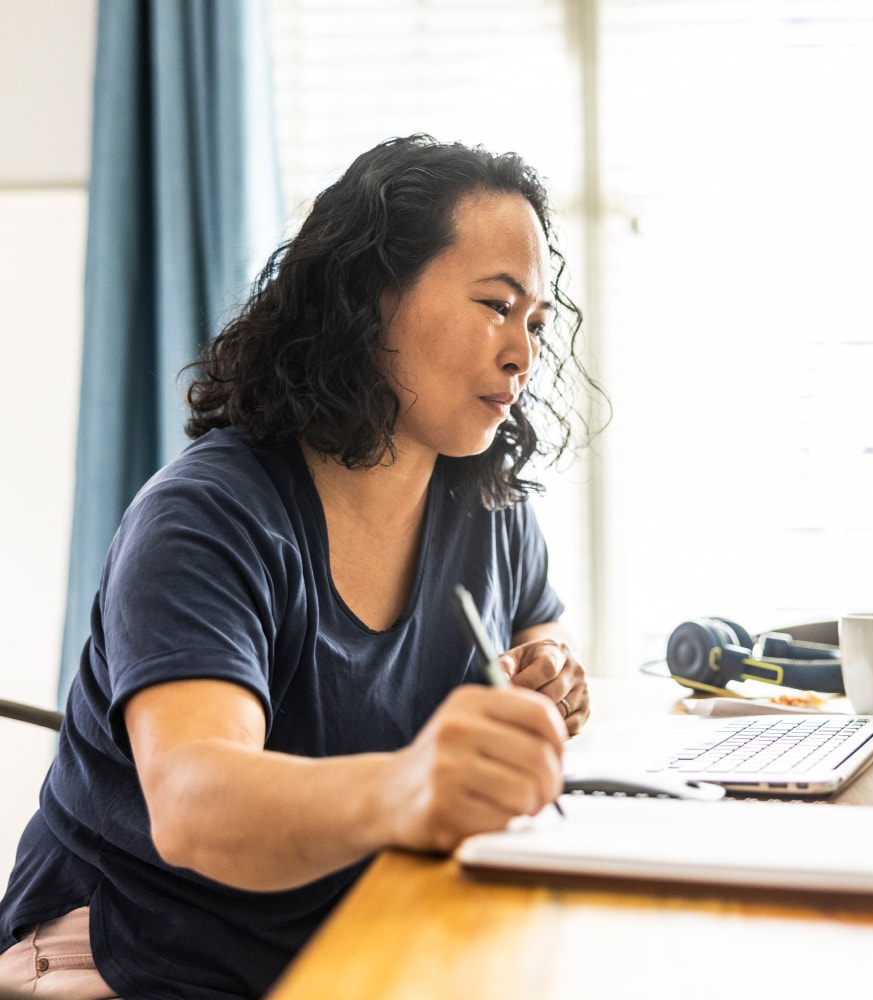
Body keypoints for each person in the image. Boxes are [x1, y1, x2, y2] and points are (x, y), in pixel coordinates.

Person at [0, 134, 605, 1000]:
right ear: (370, 298)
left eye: (535, 323)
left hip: (328, 946)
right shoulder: (208, 516)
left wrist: (555, 673)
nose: (522, 352)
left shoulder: (486, 506)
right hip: (127, 958)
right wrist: (407, 787)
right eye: (494, 306)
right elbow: (194, 803)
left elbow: (540, 629)